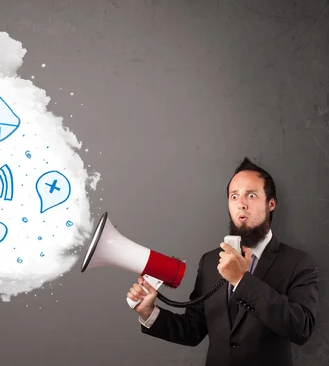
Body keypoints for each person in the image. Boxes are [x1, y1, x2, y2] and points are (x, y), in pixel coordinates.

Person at [127, 157, 319, 366]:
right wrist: (149, 312)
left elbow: (301, 328)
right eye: (234, 196)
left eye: (251, 195)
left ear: (271, 203)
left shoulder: (298, 263)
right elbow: (193, 330)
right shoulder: (210, 262)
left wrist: (242, 280)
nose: (241, 204)